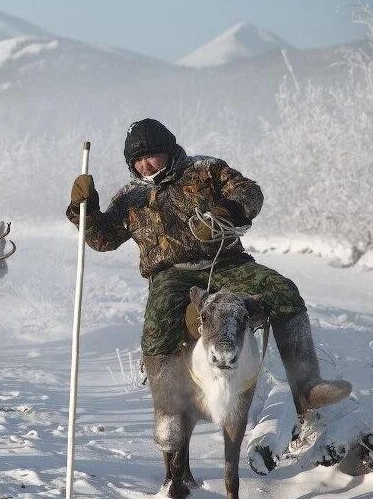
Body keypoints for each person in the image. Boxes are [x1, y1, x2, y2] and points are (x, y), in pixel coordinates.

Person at [66, 118, 351, 416]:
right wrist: (83, 209)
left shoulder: (206, 170)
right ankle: (169, 411)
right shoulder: (130, 196)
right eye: (136, 160)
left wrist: (225, 211)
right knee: (157, 324)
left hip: (228, 262)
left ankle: (308, 389)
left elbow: (250, 192)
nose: (145, 166)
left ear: (167, 149)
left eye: (150, 155)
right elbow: (103, 239)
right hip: (171, 275)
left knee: (283, 290)